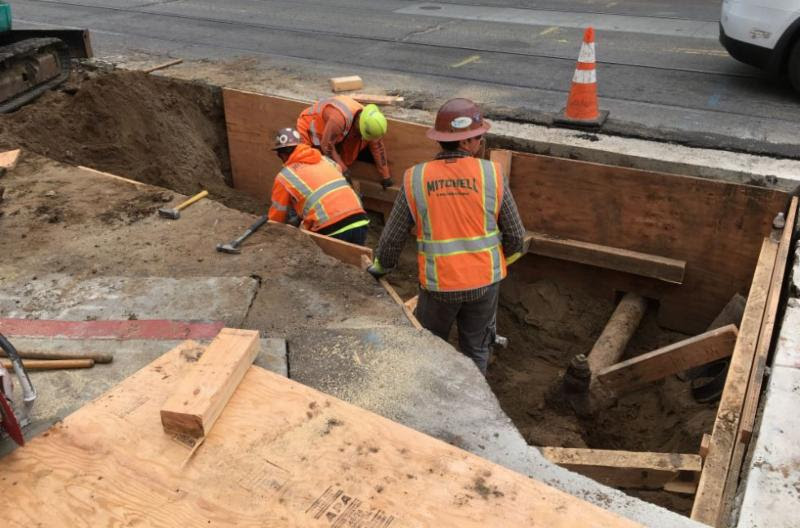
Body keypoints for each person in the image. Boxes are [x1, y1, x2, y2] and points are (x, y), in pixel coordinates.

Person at [367, 98, 526, 375]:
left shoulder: (416, 178)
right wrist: (501, 262)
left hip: (439, 286)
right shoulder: (492, 174)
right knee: (476, 349)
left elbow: (393, 238)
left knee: (430, 346)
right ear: (465, 142)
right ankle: (476, 407)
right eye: (478, 136)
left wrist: (381, 267)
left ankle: (433, 401)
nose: (481, 141)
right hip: (484, 283)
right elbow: (515, 235)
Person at [268, 127, 369, 245]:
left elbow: (277, 217)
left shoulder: (285, 177)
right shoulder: (326, 161)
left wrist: (273, 233)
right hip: (360, 220)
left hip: (331, 228)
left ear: (283, 154)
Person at [296, 95, 393, 189]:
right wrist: (344, 170)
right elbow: (326, 147)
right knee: (309, 164)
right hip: (310, 127)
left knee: (348, 156)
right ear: (359, 125)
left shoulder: (369, 121)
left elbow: (377, 146)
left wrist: (386, 176)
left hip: (333, 133)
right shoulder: (338, 120)